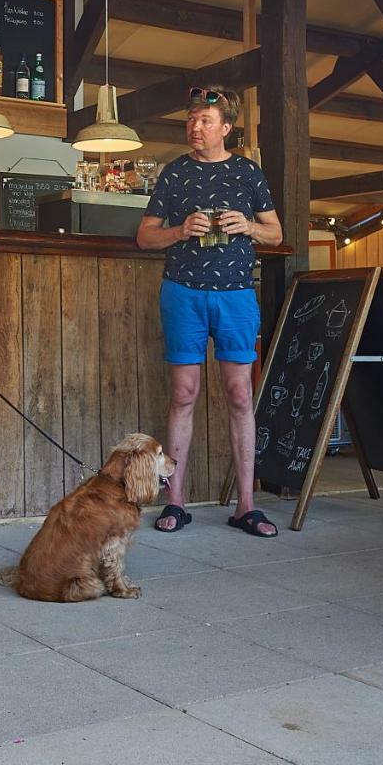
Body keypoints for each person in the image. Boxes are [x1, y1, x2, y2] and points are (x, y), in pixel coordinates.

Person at [136, 85, 284, 537]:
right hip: (182, 293)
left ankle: (246, 505)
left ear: (226, 128)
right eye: (191, 120)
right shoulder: (174, 174)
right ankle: (175, 502)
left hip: (236, 295)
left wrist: (250, 226)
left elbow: (277, 235)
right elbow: (145, 237)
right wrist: (180, 230)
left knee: (240, 395)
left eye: (204, 121)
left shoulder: (248, 173)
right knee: (183, 395)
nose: (194, 128)